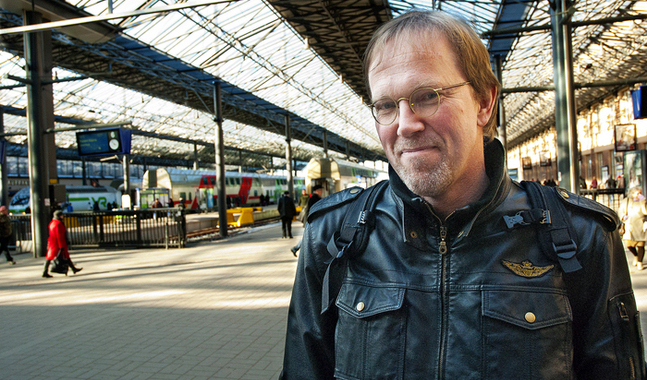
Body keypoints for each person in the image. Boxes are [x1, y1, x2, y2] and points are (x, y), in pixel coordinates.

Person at [280, 11, 644, 380]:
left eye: (427, 96)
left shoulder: (581, 237)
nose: (405, 124)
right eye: (387, 105)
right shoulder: (333, 235)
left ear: (484, 102)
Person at [42, 210, 82, 278]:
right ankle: (45, 272)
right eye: (61, 215)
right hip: (58, 243)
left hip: (52, 243)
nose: (62, 216)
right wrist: (61, 246)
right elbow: (59, 235)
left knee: (50, 257)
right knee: (64, 256)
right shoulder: (59, 224)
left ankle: (73, 268)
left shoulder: (52, 223)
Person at [290, 185, 323, 257]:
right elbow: (313, 211)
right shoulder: (314, 198)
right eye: (321, 190)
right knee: (308, 237)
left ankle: (296, 248)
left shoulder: (314, 198)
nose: (322, 191)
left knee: (309, 237)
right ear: (317, 191)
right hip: (312, 221)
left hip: (312, 221)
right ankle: (297, 248)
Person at [618, 187, 647, 270]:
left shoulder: (642, 201)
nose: (639, 195)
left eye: (640, 193)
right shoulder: (626, 201)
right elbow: (621, 211)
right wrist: (623, 216)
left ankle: (639, 262)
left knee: (641, 244)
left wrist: (643, 201)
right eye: (637, 193)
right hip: (629, 225)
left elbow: (645, 212)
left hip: (640, 225)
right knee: (629, 244)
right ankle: (636, 256)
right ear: (632, 193)